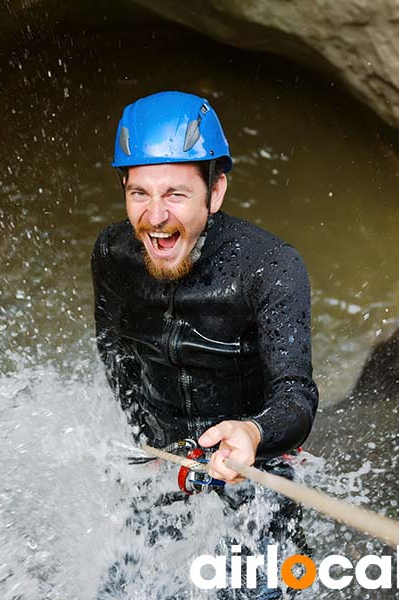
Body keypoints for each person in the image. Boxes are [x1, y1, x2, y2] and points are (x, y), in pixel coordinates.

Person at [91, 91, 318, 597]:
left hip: (254, 467)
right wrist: (143, 443)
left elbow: (297, 397)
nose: (154, 217)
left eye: (175, 194)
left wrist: (254, 435)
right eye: (139, 194)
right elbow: (116, 356)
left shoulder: (270, 267)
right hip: (167, 464)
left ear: (215, 191)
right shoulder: (112, 255)